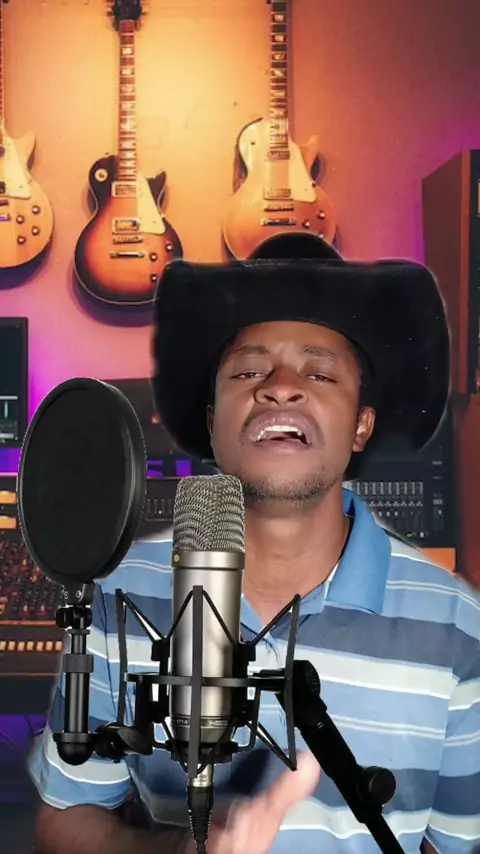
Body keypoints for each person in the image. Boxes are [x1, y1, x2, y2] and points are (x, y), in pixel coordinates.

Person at [28, 234, 480, 854]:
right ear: (213, 423)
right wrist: (178, 851)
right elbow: (67, 817)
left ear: (361, 425)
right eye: (249, 371)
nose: (281, 387)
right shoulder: (119, 593)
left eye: (319, 372)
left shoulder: (456, 626)